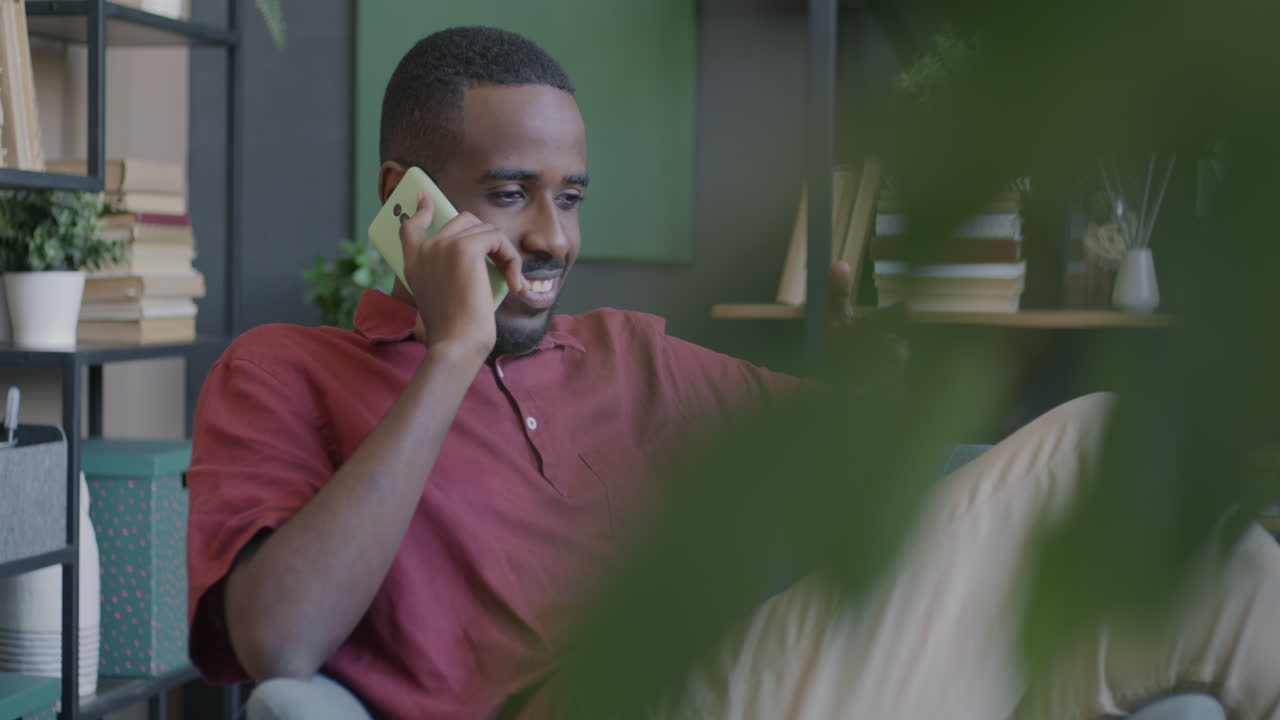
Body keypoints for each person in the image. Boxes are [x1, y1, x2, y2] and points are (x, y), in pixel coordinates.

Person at [185, 26, 1280, 720]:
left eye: (570, 197)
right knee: (1094, 437)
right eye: (510, 193)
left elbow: (876, 483)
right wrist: (452, 351)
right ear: (406, 198)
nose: (554, 237)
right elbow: (277, 639)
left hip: (759, 685)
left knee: (1155, 565)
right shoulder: (284, 371)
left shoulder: (628, 355)